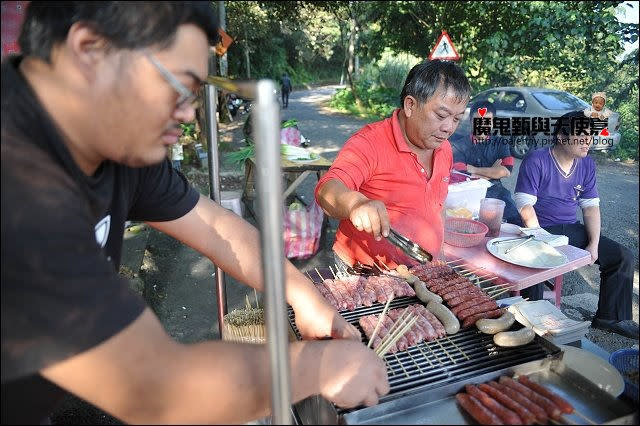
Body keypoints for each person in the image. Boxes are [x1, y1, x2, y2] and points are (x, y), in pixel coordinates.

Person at [1, 3, 389, 424]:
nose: (187, 113)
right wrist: (319, 367)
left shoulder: (114, 144)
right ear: (89, 49)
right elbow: (156, 389)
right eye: (179, 86)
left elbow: (215, 227)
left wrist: (302, 294)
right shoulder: (17, 181)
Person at [315, 60, 470, 269]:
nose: (448, 127)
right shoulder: (370, 143)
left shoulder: (445, 149)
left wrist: (439, 256)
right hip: (365, 271)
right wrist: (355, 204)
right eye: (441, 115)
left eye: (457, 119)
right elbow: (328, 188)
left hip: (421, 269)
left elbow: (438, 206)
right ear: (410, 105)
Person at [514, 110, 637, 339]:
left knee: (623, 257)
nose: (588, 141)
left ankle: (611, 317)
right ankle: (532, 323)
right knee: (535, 263)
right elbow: (525, 205)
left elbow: (590, 207)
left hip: (570, 229)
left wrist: (593, 244)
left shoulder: (586, 164)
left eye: (590, 136)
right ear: (561, 137)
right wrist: (541, 240)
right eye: (581, 135)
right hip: (538, 229)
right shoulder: (537, 160)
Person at [450, 100, 522, 225]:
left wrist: (474, 169)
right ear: (471, 122)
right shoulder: (458, 146)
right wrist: (492, 172)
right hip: (468, 193)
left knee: (515, 221)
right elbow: (461, 174)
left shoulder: (501, 143)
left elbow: (506, 171)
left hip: (497, 191)